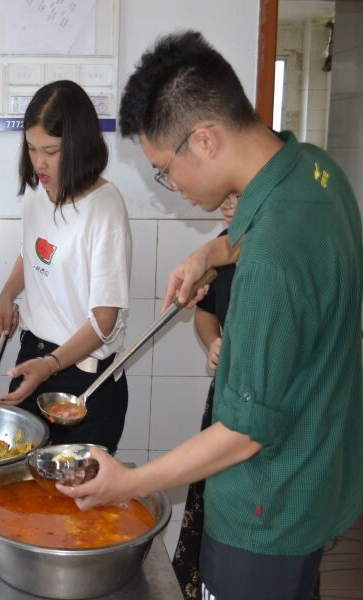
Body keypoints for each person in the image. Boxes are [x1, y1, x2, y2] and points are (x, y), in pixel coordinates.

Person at [59, 31, 362, 600]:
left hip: (263, 515)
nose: (169, 187)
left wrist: (131, 482)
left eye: (164, 170)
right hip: (316, 483)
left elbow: (244, 433)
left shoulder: (271, 257)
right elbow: (283, 236)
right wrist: (211, 252)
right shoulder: (315, 171)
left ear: (204, 139)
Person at [0, 80, 131, 453]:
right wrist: (8, 293)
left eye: (51, 151)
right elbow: (34, 251)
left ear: (78, 146)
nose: (39, 163)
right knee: (18, 479)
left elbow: (104, 321)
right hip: (33, 356)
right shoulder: (38, 192)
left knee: (75, 490)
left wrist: (51, 364)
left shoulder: (105, 207)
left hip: (81, 376)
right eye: (31, 148)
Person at [172, 194, 237, 598]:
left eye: (238, 195)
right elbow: (206, 313)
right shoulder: (222, 246)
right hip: (226, 395)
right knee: (212, 502)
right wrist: (213, 341)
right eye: (225, 196)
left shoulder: (279, 249)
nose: (227, 204)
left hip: (264, 407)